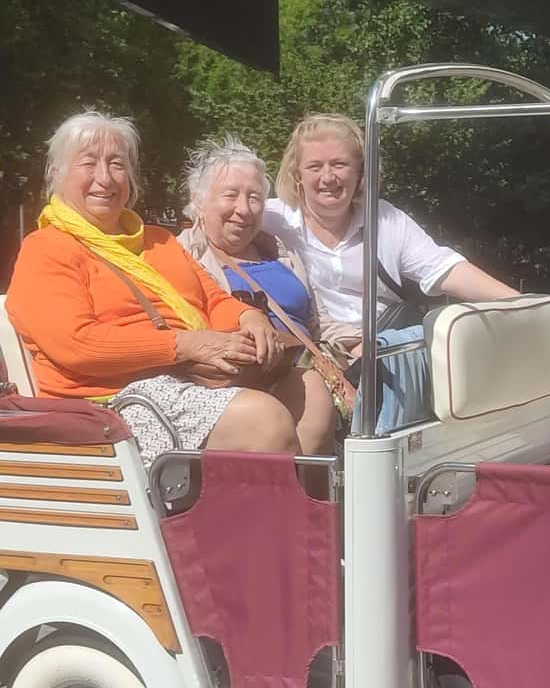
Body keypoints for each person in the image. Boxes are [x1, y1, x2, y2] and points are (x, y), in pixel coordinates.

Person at [6, 110, 301, 467]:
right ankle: (253, 503)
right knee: (263, 421)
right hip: (110, 403)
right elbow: (78, 345)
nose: (105, 178)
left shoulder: (159, 240)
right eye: (89, 163)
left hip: (185, 378)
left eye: (117, 164)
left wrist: (248, 317)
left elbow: (211, 298)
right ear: (57, 174)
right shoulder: (46, 248)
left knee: (308, 391)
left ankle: (299, 502)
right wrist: (184, 345)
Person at [263, 113, 519, 357]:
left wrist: (523, 304)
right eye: (315, 166)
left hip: (384, 351)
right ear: (297, 174)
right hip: (311, 354)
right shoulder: (270, 218)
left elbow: (442, 269)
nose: (328, 177)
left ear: (361, 172)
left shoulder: (384, 219)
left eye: (340, 164)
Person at [176, 135, 336, 454]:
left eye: (254, 197)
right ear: (199, 201)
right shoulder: (182, 255)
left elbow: (320, 321)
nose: (244, 209)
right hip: (237, 383)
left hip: (301, 368)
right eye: (230, 195)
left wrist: (359, 345)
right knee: (311, 389)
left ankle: (303, 483)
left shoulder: (281, 252)